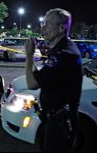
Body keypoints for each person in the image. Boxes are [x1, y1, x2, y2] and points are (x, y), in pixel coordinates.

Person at [25, 8, 83, 152]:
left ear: (61, 28)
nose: (42, 28)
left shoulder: (64, 54)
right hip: (53, 120)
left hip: (60, 124)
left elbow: (32, 84)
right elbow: (39, 78)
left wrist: (29, 56)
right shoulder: (59, 49)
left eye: (47, 24)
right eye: (43, 24)